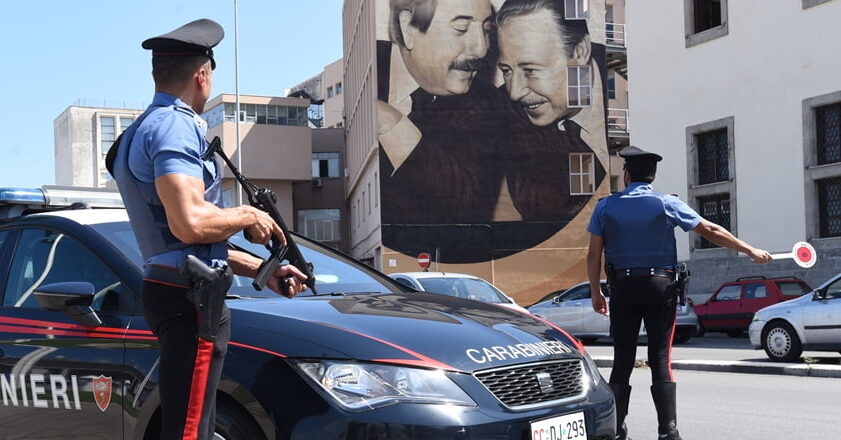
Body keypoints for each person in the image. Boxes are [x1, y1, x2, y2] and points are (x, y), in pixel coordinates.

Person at [111, 19, 308, 440]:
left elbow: (179, 239)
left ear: (155, 73)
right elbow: (190, 223)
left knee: (191, 424)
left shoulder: (138, 131)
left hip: (177, 285)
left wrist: (263, 270)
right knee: (188, 431)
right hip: (192, 299)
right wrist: (249, 216)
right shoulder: (174, 125)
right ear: (202, 76)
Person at [586, 146, 771, 440]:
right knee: (660, 357)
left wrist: (596, 292)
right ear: (653, 175)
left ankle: (616, 431)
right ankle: (667, 432)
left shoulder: (605, 206)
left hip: (623, 287)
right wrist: (750, 250)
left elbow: (593, 254)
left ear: (627, 174)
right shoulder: (666, 204)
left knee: (622, 359)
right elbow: (710, 229)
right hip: (660, 287)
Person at [377, 0, 506, 227]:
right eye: (461, 28)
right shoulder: (370, 71)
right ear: (408, 28)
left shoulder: (489, 104)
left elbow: (464, 201)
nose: (482, 49)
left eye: (486, 31)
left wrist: (391, 124)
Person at [495, 0, 606, 222]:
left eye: (530, 70)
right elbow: (541, 208)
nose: (515, 92)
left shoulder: (632, 86)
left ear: (579, 51)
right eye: (506, 70)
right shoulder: (501, 110)